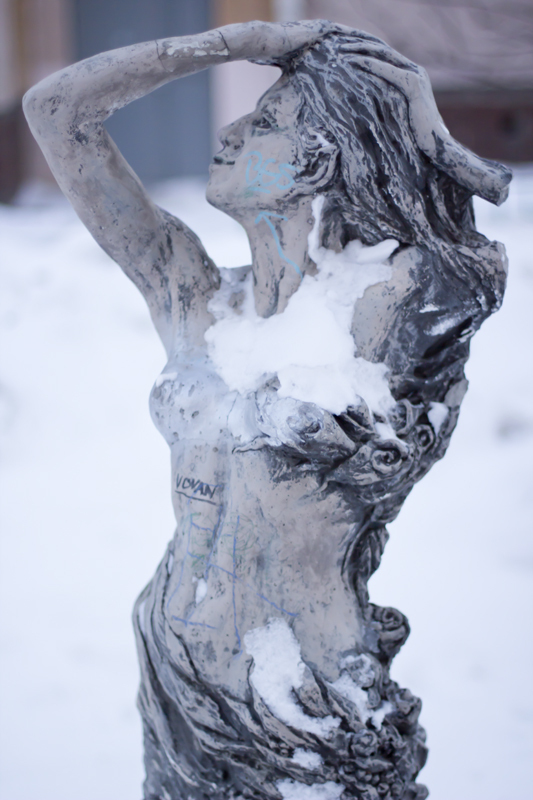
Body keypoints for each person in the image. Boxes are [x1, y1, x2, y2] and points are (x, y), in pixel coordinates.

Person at [24, 20, 510, 800]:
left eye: (264, 123)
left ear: (316, 161)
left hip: (302, 702)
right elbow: (55, 111)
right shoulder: (194, 298)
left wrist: (411, 102)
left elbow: (466, 267)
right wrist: (231, 42)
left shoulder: (373, 316)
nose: (229, 132)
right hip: (175, 679)